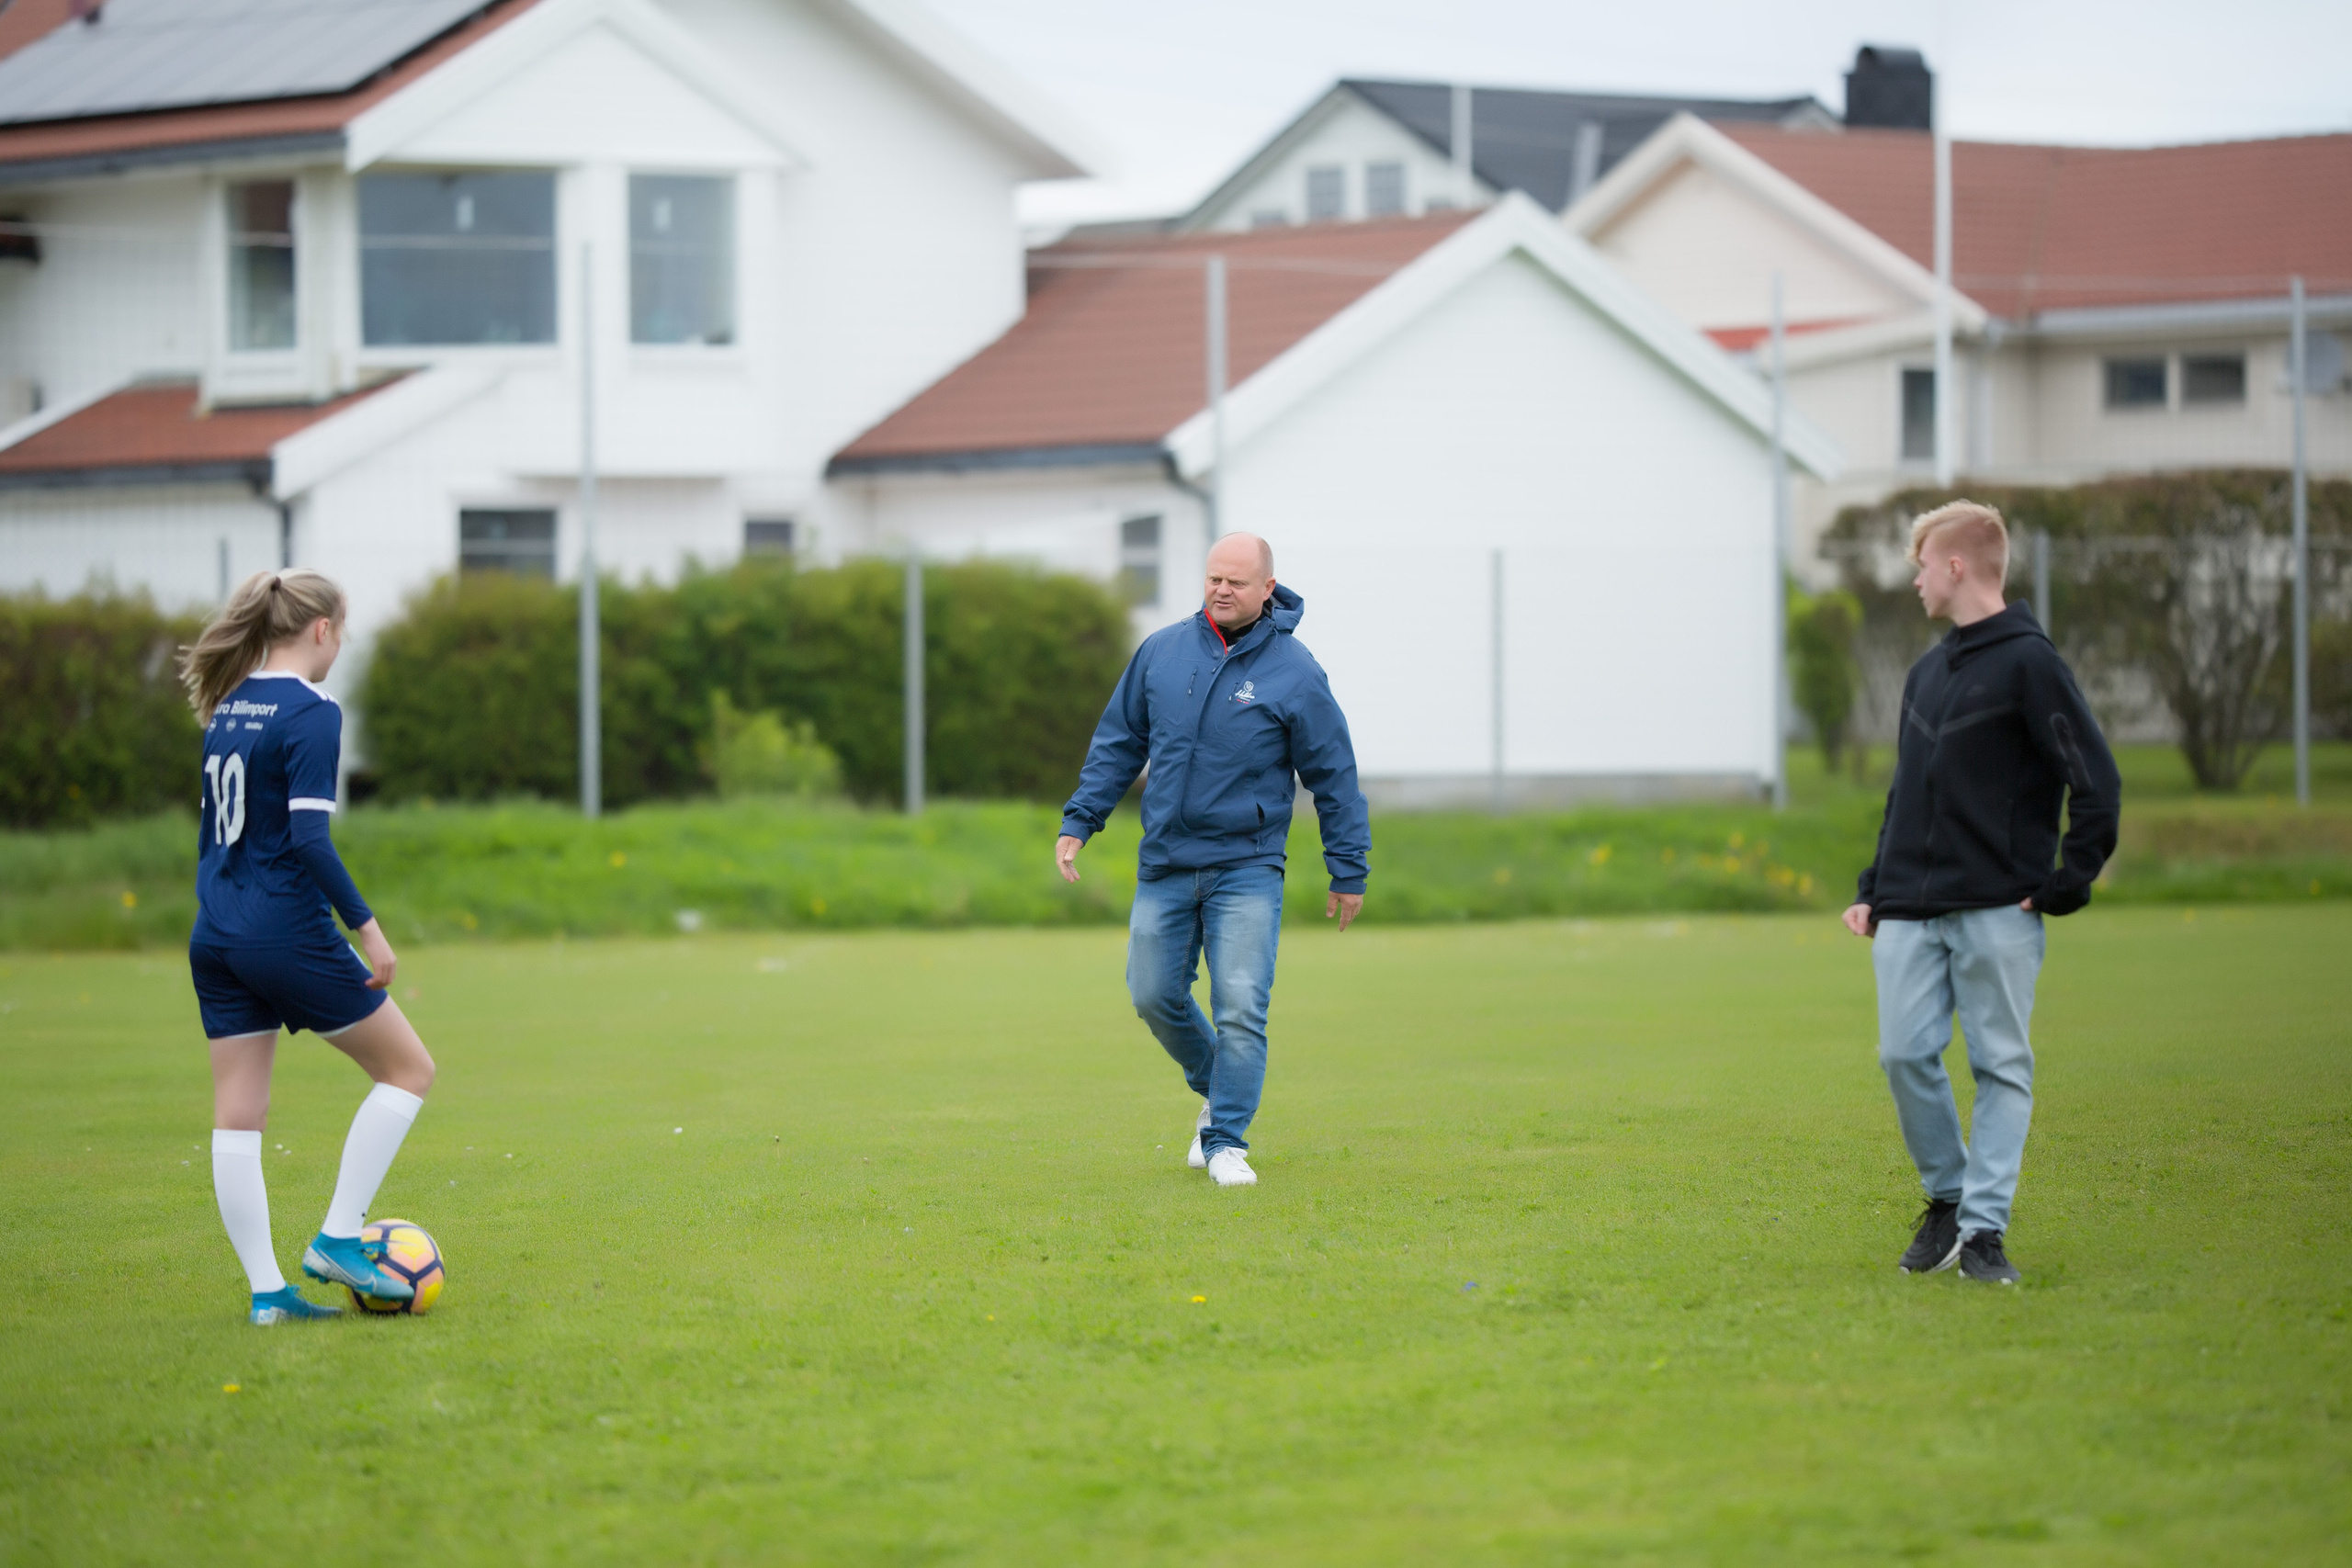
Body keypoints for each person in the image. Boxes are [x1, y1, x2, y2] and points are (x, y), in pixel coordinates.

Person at [1843, 501, 2119, 1286]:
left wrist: (2070, 879)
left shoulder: (2031, 663)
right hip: (1909, 908)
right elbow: (1909, 792)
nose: (1917, 580)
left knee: (2001, 1065)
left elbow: (2095, 780)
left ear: (1957, 566)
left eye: (1922, 564)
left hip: (2001, 906)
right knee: (1903, 1052)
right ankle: (1949, 1195)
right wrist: (1875, 888)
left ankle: (1985, 1231)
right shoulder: (1928, 671)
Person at [1057, 533, 1370, 1187]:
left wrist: (1348, 867)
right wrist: (1081, 820)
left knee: (1240, 1003)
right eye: (1213, 578)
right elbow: (1118, 743)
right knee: (1152, 993)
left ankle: (1227, 1140)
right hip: (1167, 860)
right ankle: (1217, 1088)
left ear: (1267, 589)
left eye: (1235, 581)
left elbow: (1333, 774)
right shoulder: (1161, 652)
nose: (1221, 589)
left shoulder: (1297, 671)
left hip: (1247, 865)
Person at [182, 570, 437, 1325]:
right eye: (342, 632)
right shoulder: (312, 711)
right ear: (321, 628)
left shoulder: (230, 706)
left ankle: (269, 1296)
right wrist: (367, 925)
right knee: (408, 1068)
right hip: (282, 930)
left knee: (238, 1114)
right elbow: (307, 839)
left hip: (216, 932)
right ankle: (336, 1236)